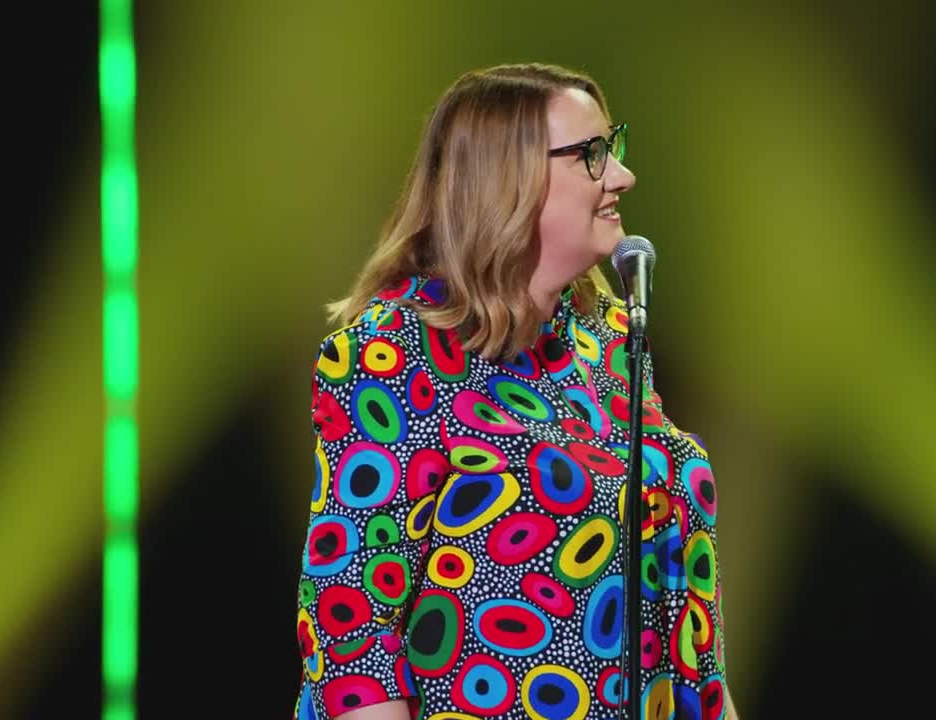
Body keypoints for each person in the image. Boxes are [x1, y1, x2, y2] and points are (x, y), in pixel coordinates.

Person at [291, 62, 738, 720]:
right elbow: (354, 637)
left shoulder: (609, 340)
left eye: (613, 147)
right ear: (506, 179)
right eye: (591, 155)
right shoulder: (396, 356)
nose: (621, 176)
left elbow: (693, 642)